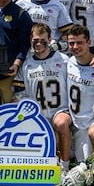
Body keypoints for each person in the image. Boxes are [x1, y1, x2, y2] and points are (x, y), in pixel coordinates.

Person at [11, 23, 72, 170]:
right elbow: (19, 94)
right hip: (38, 114)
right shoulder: (26, 64)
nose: (38, 44)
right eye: (35, 41)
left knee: (61, 123)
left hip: (60, 110)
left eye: (42, 40)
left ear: (50, 39)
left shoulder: (63, 60)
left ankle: (65, 166)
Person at [63, 25, 94, 162]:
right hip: (74, 121)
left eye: (79, 42)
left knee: (89, 162)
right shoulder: (68, 61)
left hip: (92, 121)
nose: (75, 47)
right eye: (71, 43)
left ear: (89, 42)